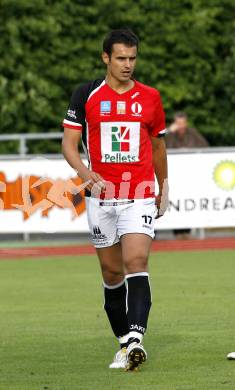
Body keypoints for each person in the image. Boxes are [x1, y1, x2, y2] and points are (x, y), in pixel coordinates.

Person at [62, 29, 168, 371]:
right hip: (100, 198)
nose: (127, 65)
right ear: (105, 57)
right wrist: (84, 172)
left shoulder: (150, 97)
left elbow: (158, 146)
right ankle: (124, 343)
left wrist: (163, 185)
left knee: (136, 261)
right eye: (121, 58)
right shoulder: (86, 94)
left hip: (138, 193)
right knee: (111, 272)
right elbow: (69, 144)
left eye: (132, 58)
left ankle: (136, 338)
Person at [166, 112, 209, 239]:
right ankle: (177, 232)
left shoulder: (192, 133)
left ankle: (187, 231)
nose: (180, 126)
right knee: (174, 199)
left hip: (190, 174)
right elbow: (157, 143)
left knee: (188, 198)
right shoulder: (168, 134)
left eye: (182, 123)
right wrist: (168, 131)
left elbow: (205, 146)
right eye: (178, 123)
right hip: (172, 174)